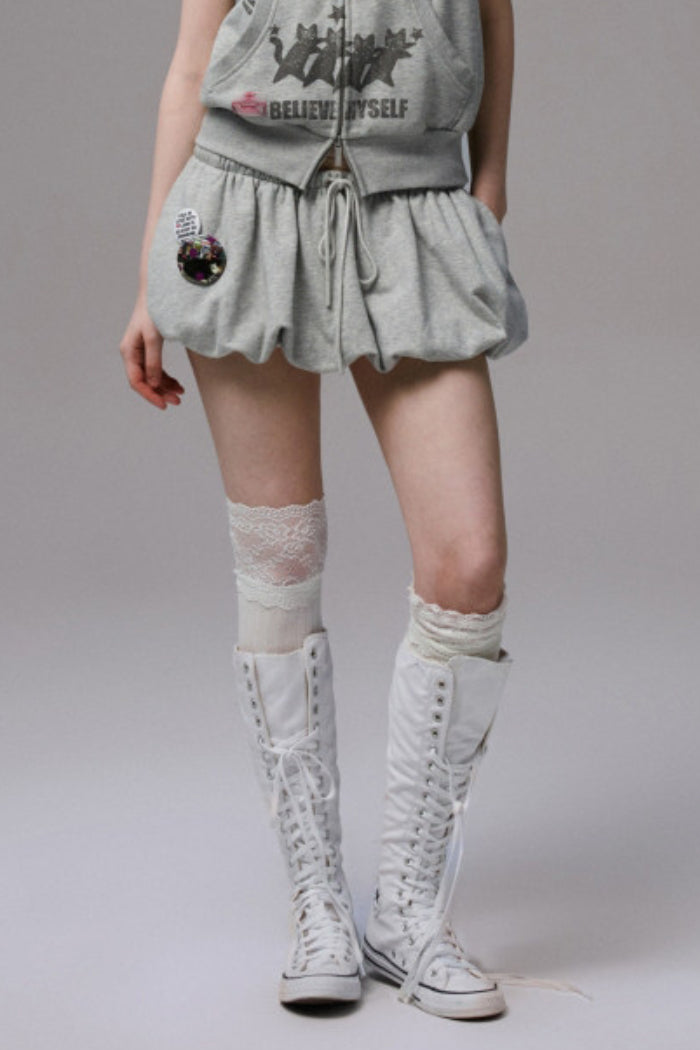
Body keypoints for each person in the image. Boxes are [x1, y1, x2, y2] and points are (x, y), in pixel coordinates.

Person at [120, 0, 583, 1021]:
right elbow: (191, 63)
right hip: (233, 215)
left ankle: (407, 912)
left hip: (413, 210)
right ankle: (320, 906)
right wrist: (157, 267)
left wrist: (490, 181)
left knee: (469, 564)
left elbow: (493, 10)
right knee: (280, 558)